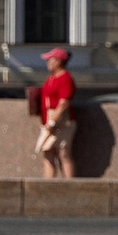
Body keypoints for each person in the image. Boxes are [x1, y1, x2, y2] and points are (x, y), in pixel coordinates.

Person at [33, 47, 77, 179]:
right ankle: (48, 185)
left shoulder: (65, 78)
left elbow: (64, 103)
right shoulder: (51, 78)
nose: (47, 62)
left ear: (58, 61)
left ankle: (70, 186)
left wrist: (53, 121)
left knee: (63, 153)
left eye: (50, 60)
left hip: (62, 121)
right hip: (48, 120)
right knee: (48, 152)